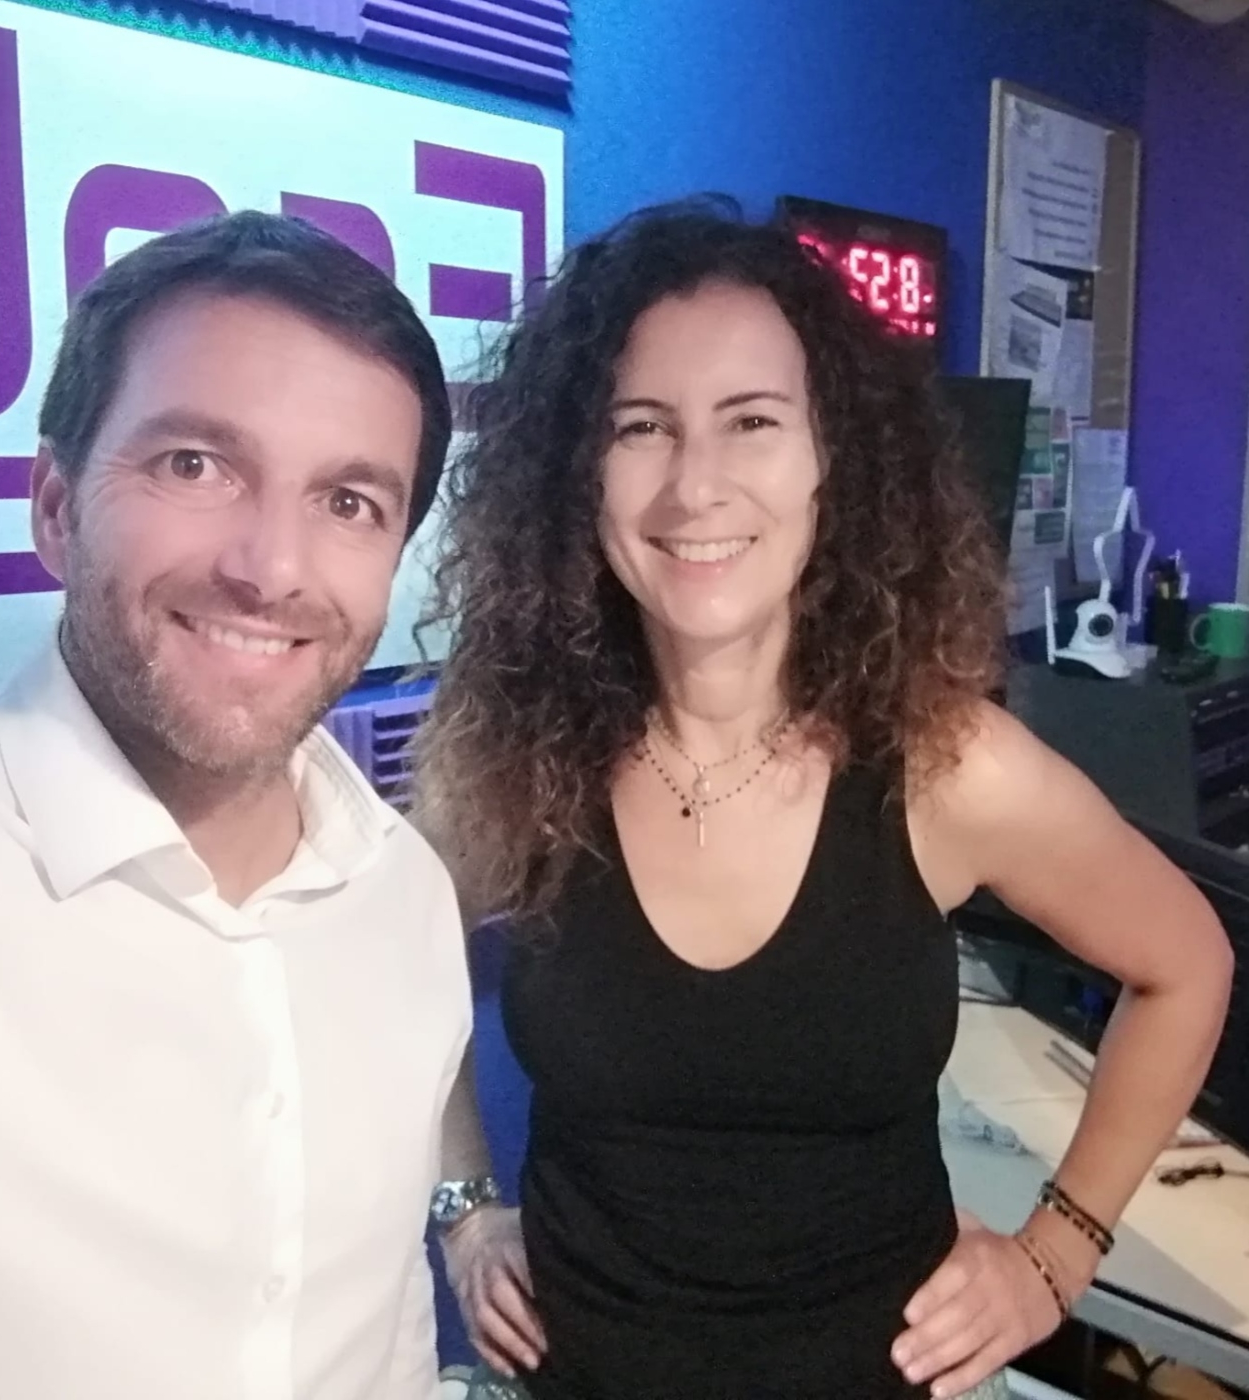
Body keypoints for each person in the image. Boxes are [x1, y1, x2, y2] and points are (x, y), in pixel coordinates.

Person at [412, 201, 1233, 1400]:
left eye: (751, 420)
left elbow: (1186, 963)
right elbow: (392, 952)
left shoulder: (947, 765)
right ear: (575, 471)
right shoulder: (513, 756)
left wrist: (1054, 1253)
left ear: (827, 460)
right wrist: (462, 1204)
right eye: (640, 427)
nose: (695, 484)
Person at [0, 212, 469, 1400]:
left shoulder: (403, 892)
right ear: (54, 503)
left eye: (348, 501)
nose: (270, 568)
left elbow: (380, 1329)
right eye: (195, 464)